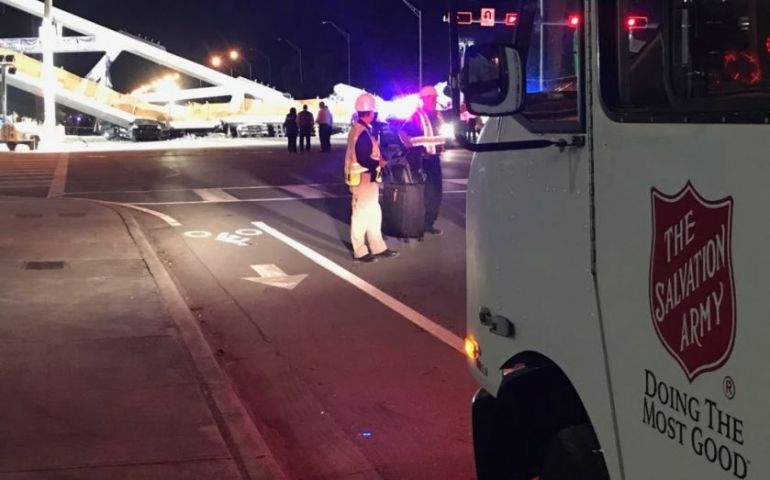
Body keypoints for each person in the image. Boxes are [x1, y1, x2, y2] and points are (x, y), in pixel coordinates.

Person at [345, 93, 399, 263]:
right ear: (371, 113)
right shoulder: (362, 132)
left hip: (367, 179)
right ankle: (359, 251)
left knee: (374, 214)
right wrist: (380, 163)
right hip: (363, 179)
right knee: (361, 215)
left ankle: (377, 247)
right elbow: (363, 158)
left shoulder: (360, 129)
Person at [398, 85, 446, 235]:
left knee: (436, 192)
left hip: (434, 158)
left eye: (435, 98)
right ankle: (420, 222)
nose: (435, 100)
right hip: (422, 160)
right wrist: (414, 149)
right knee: (426, 192)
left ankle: (429, 223)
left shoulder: (437, 115)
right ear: (425, 99)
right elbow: (402, 132)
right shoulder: (417, 116)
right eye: (432, 98)